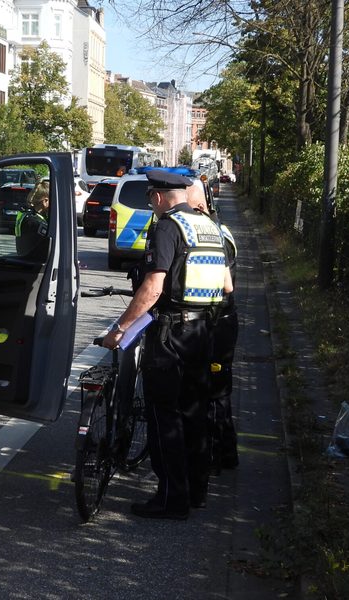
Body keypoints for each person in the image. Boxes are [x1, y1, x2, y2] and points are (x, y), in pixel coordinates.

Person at [103, 170, 232, 519]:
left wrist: (120, 328)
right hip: (203, 333)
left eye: (150, 199)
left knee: (165, 416)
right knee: (195, 412)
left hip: (171, 335)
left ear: (158, 197)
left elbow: (153, 287)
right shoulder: (209, 227)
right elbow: (225, 286)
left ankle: (170, 499)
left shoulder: (167, 227)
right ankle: (195, 491)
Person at [187, 181, 240, 472]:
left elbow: (224, 285)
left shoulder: (210, 234)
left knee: (214, 389)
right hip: (223, 320)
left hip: (216, 322)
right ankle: (224, 453)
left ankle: (217, 454)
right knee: (219, 389)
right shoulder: (221, 229)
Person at [15, 180, 49, 260]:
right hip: (34, 264)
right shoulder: (36, 222)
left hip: (24, 260)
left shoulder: (27, 215)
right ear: (45, 201)